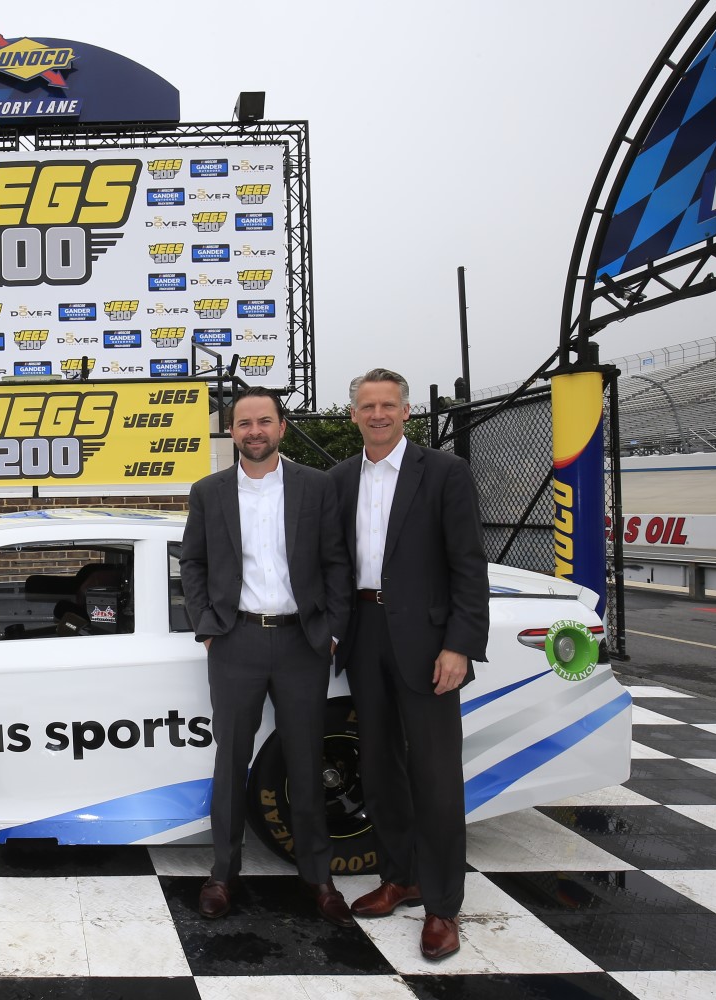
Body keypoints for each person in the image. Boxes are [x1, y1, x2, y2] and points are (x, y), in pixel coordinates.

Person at [330, 368, 489, 961]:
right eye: (367, 406)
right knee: (379, 768)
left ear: (404, 412)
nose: (377, 414)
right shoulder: (340, 479)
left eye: (388, 405)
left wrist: (460, 645)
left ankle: (444, 906)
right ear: (353, 414)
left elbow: (469, 566)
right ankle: (401, 878)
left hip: (428, 644)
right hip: (363, 635)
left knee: (436, 778)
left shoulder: (444, 473)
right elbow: (335, 564)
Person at [180, 387, 355, 926]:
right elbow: (193, 563)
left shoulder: (316, 486)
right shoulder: (208, 491)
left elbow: (336, 564)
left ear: (281, 426)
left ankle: (318, 876)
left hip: (302, 643)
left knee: (305, 759)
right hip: (237, 642)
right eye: (243, 424)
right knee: (231, 760)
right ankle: (223, 873)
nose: (253, 431)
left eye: (264, 421)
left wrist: (330, 632)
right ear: (231, 432)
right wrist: (209, 627)